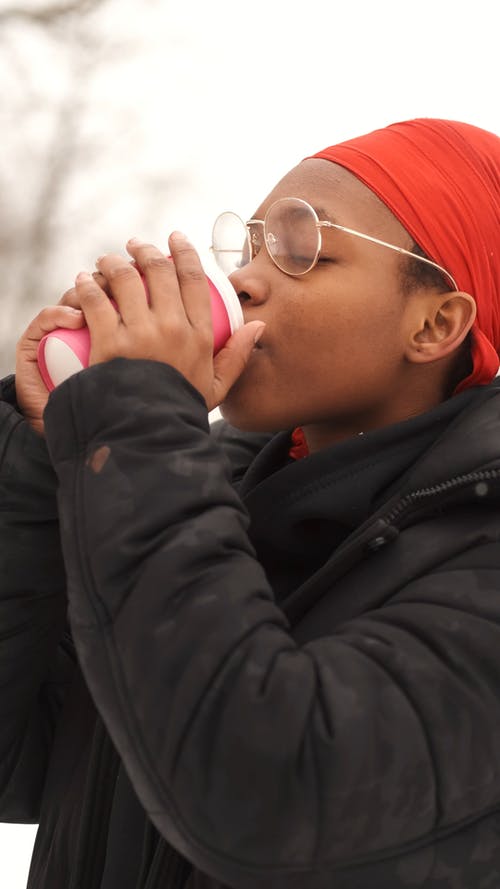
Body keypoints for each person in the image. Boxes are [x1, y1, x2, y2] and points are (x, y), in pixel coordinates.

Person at [1, 117, 500, 889]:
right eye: (252, 245)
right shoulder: (201, 510)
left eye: (305, 250)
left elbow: (265, 796)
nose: (244, 279)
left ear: (435, 324)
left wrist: (137, 427)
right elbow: (22, 760)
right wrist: (46, 461)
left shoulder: (478, 551)